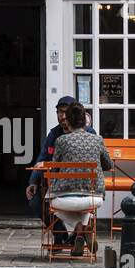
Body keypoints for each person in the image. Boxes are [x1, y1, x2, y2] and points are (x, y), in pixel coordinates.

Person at [47, 101, 112, 257]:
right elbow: (108, 164)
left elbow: (55, 168)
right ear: (85, 120)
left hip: (65, 198)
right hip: (93, 197)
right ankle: (82, 233)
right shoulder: (97, 140)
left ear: (68, 122)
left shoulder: (61, 141)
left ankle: (79, 228)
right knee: (84, 207)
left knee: (49, 201)